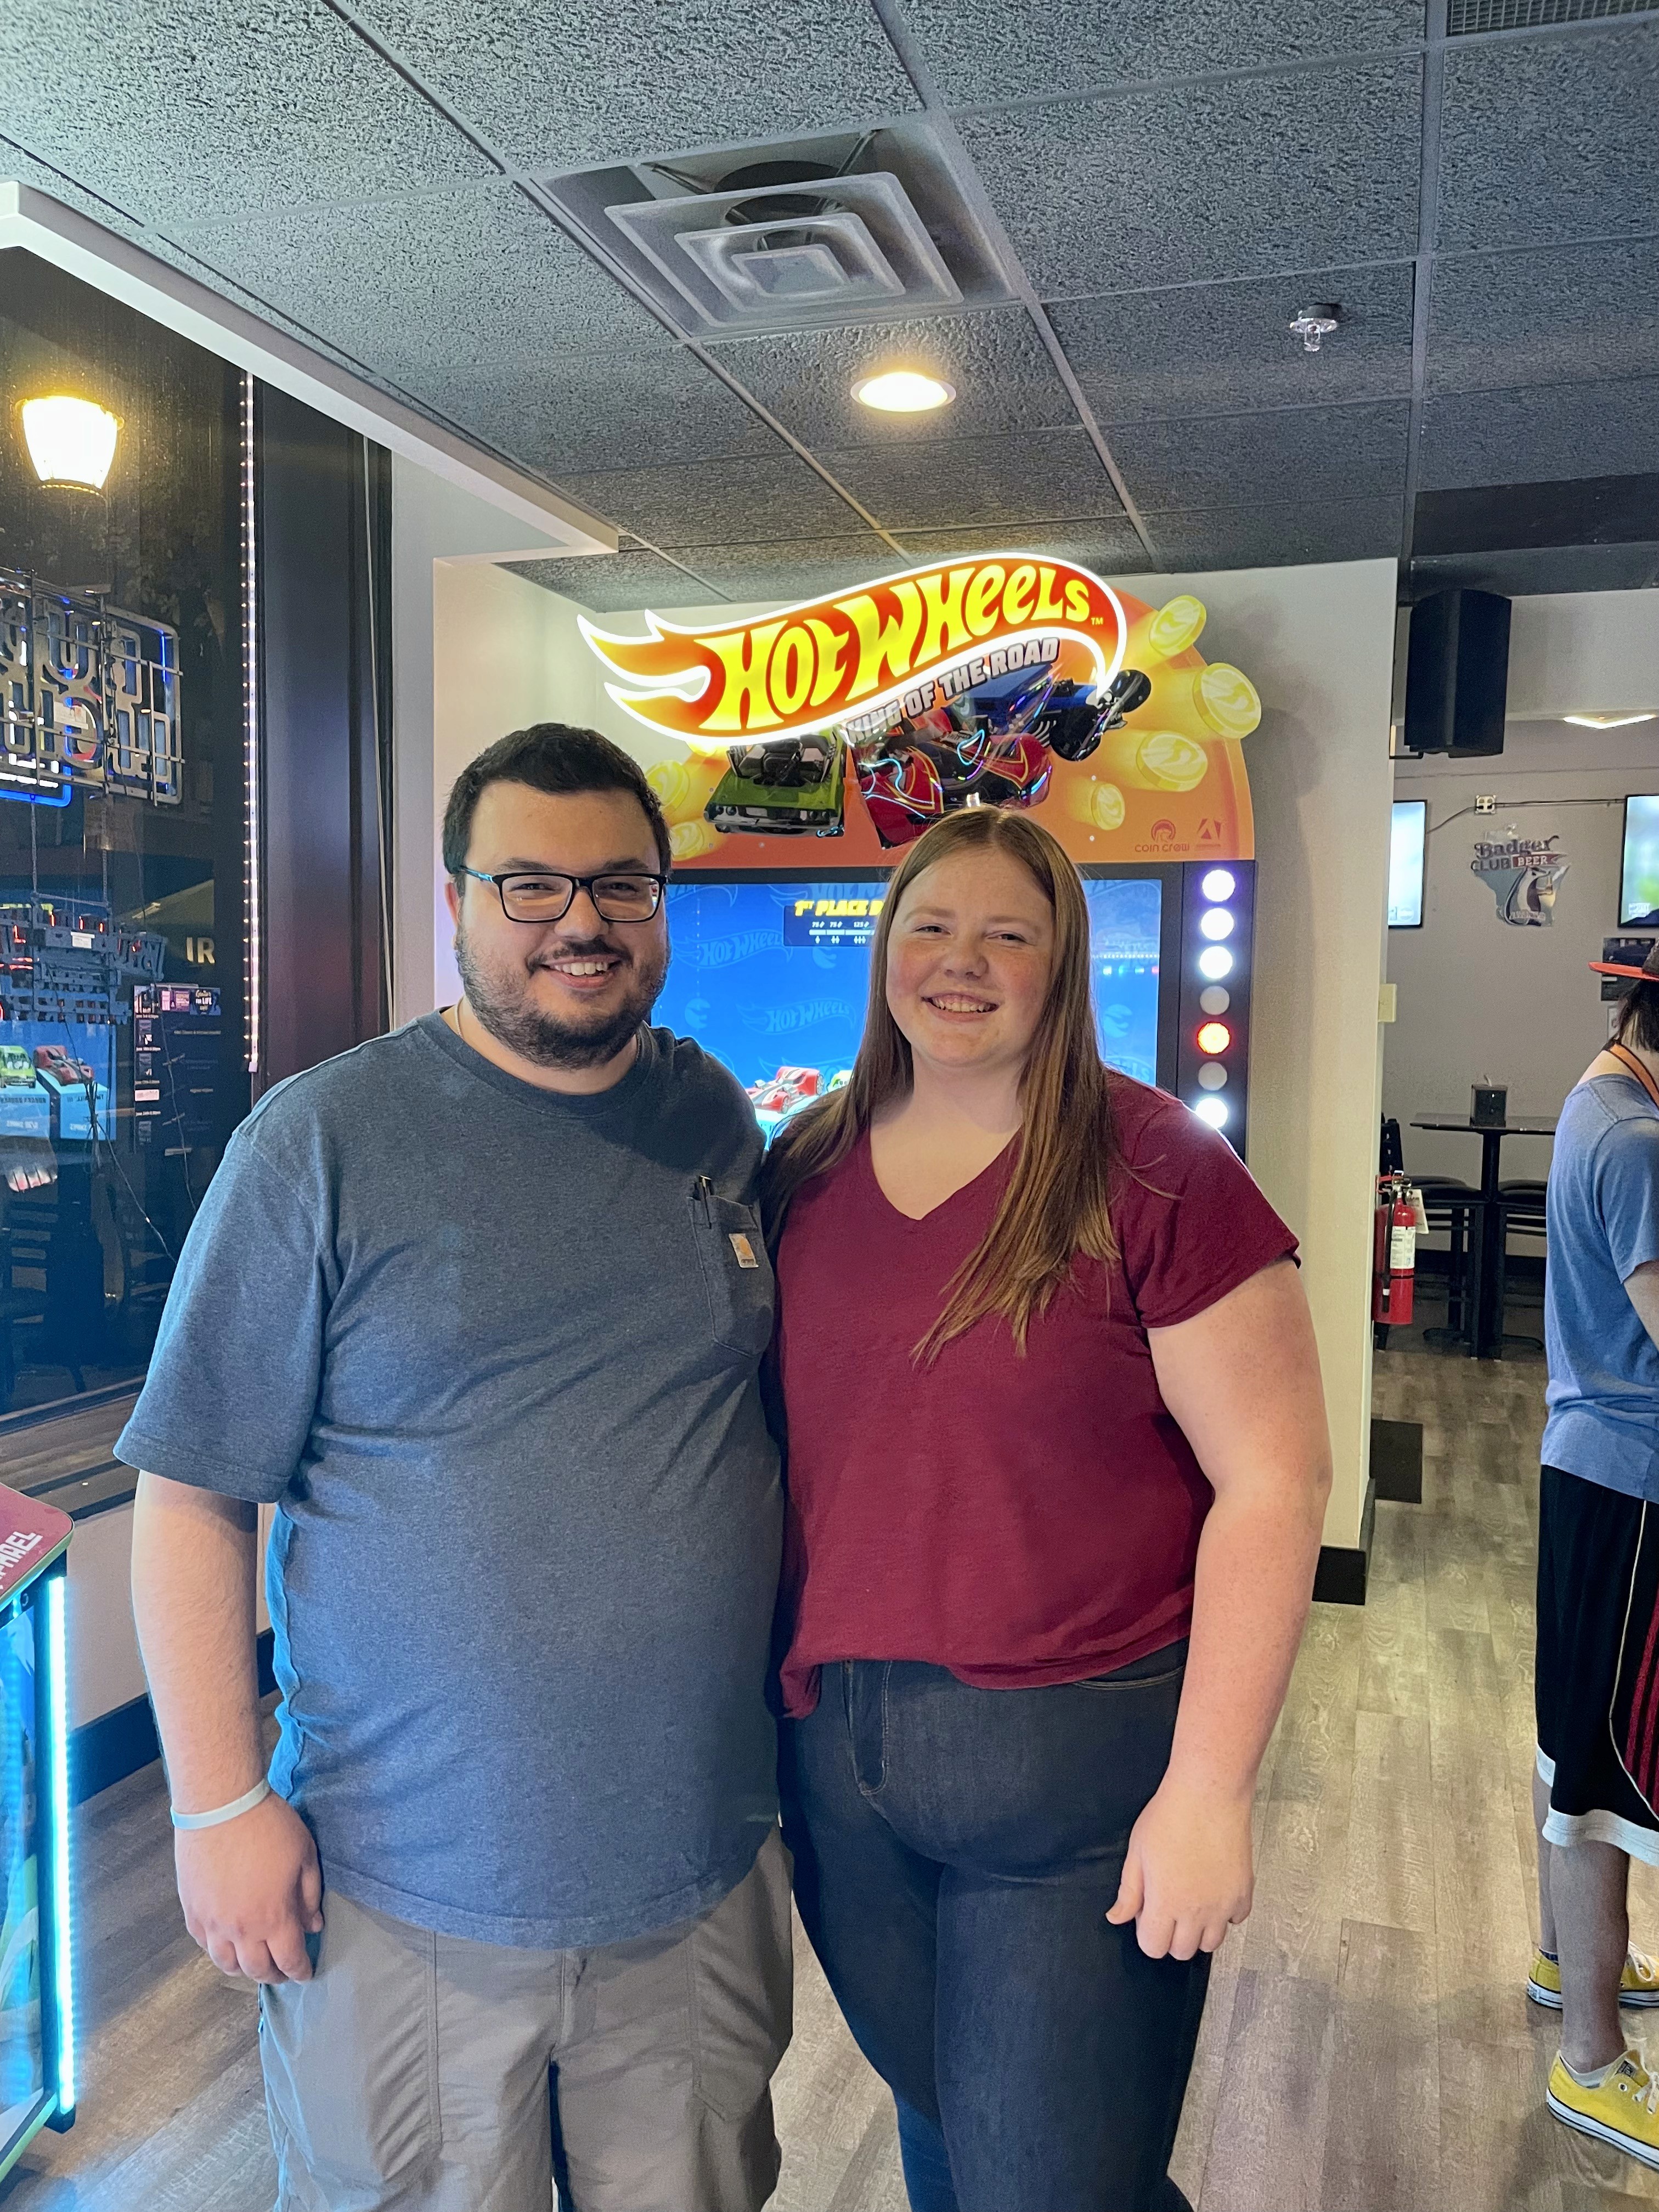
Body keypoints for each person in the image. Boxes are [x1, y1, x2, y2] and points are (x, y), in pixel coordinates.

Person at [123, 724, 791, 2212]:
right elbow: (192, 1493)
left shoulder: (713, 1119)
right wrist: (215, 1810)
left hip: (698, 1876)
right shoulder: (320, 1142)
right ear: (456, 903)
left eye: (622, 885)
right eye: (530, 884)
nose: (580, 922)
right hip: (401, 1889)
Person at [761, 806, 1332, 2212]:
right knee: (952, 2135)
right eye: (931, 927)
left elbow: (1277, 1481)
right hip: (839, 1773)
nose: (962, 962)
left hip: (1077, 1775)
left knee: (1051, 2180)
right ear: (885, 951)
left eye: (1007, 935)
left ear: (1063, 963)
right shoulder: (804, 1167)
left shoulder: (1157, 1168)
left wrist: (1210, 1793)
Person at [1531, 940, 1659, 2166]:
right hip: (1633, 1484)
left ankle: (1564, 1956)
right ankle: (1591, 2058)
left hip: (1589, 1465)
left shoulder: (1597, 1091)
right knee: (1604, 1774)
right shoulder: (1640, 1139)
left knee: (1571, 1734)